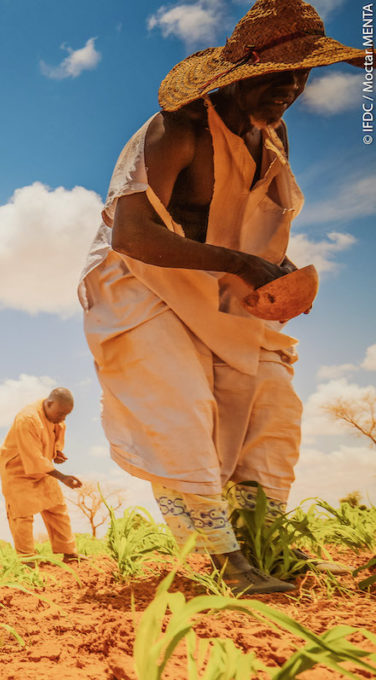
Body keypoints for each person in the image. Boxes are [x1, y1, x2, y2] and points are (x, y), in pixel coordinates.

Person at [77, 0, 364, 594]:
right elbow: (133, 234)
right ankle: (226, 564)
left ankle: (265, 547)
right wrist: (241, 265)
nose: (291, 86)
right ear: (240, 70)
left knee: (273, 409)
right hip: (140, 280)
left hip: (216, 286)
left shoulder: (273, 134)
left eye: (302, 73)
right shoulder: (177, 129)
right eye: (278, 71)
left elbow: (241, 222)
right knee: (180, 409)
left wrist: (279, 274)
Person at [0, 389, 82, 562]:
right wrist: (63, 477)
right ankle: (27, 558)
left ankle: (69, 553)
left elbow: (56, 435)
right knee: (22, 514)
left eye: (66, 415)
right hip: (17, 470)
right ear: (49, 403)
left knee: (57, 507)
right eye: (60, 414)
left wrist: (57, 451)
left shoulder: (56, 417)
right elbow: (33, 456)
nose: (63, 418)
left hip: (43, 468)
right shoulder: (27, 419)